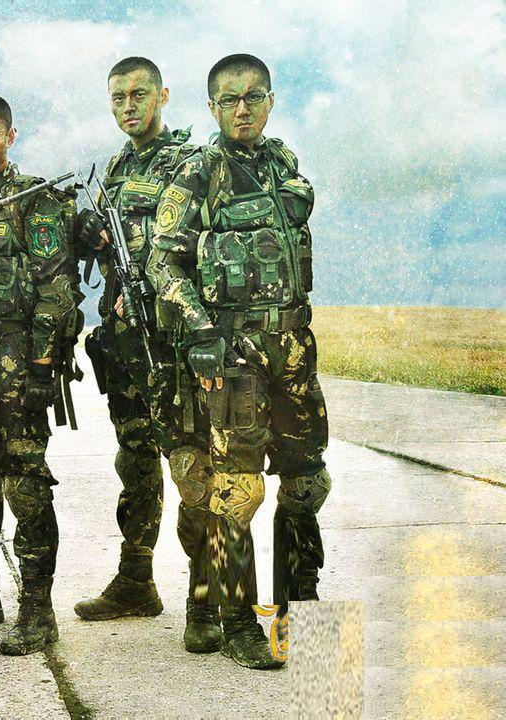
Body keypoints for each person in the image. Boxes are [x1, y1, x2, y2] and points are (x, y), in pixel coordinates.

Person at [146, 53, 329, 669]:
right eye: (229, 99)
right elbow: (162, 262)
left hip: (293, 346)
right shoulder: (199, 173)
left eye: (253, 97)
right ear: (212, 108)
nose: (242, 108)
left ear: (271, 101)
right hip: (232, 351)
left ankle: (300, 605)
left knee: (306, 481)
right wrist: (200, 327)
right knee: (236, 490)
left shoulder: (283, 164)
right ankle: (234, 617)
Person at [72, 57, 221, 655]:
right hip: (126, 343)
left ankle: (212, 599)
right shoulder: (113, 169)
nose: (128, 106)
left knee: (196, 469)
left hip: (176, 342)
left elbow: (201, 248)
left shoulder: (191, 162)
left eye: (139, 94)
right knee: (134, 461)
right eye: (118, 98)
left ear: (163, 95)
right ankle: (136, 581)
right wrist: (90, 235)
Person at [0, 93, 74, 656]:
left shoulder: (34, 201)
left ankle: (37, 609)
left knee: (24, 482)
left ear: (10, 135)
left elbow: (56, 288)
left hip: (15, 362)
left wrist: (43, 364)